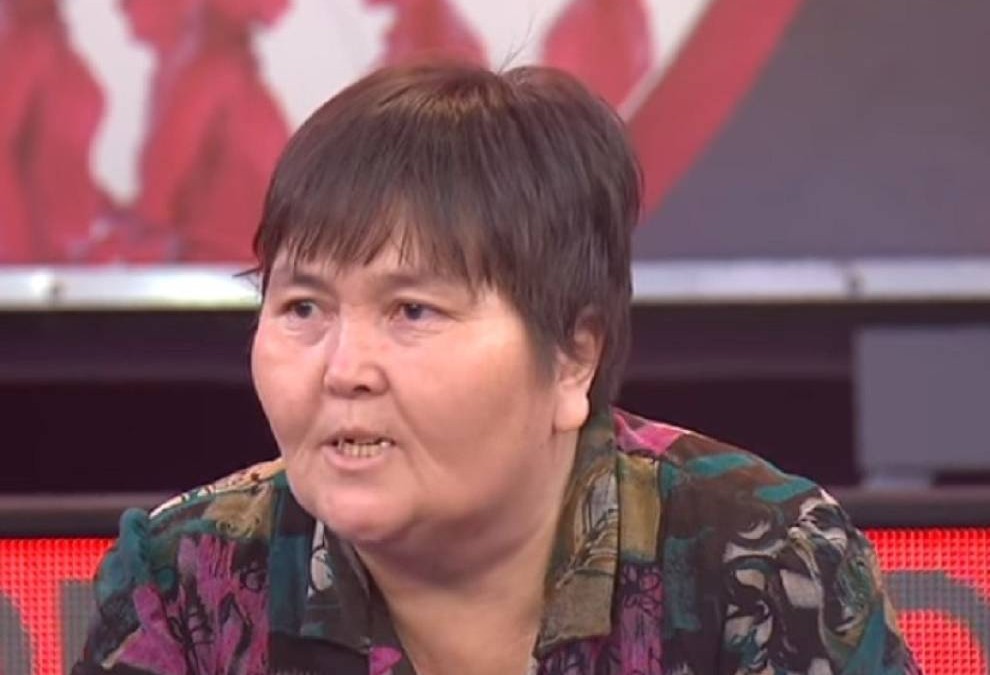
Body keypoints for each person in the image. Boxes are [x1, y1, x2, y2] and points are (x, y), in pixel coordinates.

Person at [72, 62, 921, 675]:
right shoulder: (188, 579)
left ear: (572, 356)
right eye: (303, 308)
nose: (344, 369)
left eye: (412, 310)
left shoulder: (760, 559)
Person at [120, 0, 290, 261]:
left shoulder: (217, 70)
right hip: (221, 264)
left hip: (240, 263)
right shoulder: (211, 69)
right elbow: (162, 182)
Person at [0, 0, 109, 262]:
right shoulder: (27, 43)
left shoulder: (49, 41)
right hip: (35, 252)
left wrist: (117, 217)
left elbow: (60, 158)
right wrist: (22, 253)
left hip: (70, 247)